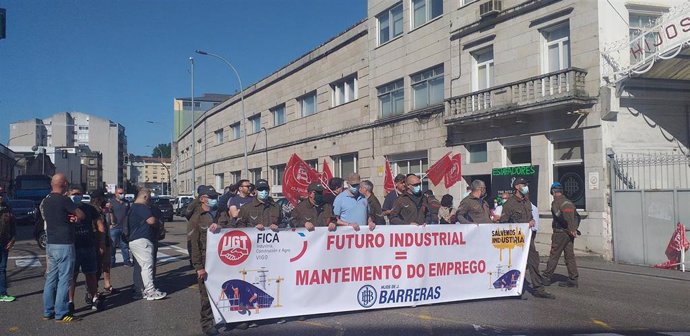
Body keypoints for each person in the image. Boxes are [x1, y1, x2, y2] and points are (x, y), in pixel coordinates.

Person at [499, 177, 555, 299]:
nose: (525, 186)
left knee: (534, 261)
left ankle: (538, 288)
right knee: (513, 264)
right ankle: (509, 288)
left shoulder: (527, 202)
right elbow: (504, 223)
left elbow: (529, 217)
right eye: (523, 184)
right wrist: (525, 225)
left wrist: (532, 221)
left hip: (528, 239)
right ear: (516, 187)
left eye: (526, 184)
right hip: (514, 241)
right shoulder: (510, 204)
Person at [41, 173, 86, 323]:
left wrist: (68, 218)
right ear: (64, 184)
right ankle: (61, 312)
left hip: (51, 243)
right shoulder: (64, 200)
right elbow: (80, 214)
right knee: (64, 279)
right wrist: (74, 215)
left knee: (51, 278)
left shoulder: (46, 201)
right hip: (64, 243)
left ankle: (48, 311)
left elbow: (57, 217)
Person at [189, 185, 227, 336]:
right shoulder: (196, 217)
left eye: (215, 197)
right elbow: (193, 245)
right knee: (206, 294)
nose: (214, 200)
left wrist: (220, 225)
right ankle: (207, 323)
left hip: (223, 259)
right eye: (211, 198)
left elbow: (231, 226)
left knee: (223, 290)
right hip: (206, 260)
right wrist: (198, 266)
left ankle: (225, 317)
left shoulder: (220, 213)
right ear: (203, 199)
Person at [67, 187, 106, 312]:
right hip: (72, 247)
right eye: (74, 194)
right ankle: (70, 301)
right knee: (72, 276)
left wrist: (101, 242)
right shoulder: (65, 208)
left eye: (79, 194)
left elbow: (100, 225)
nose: (76, 196)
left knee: (91, 274)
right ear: (68, 195)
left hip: (88, 245)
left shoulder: (89, 208)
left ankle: (94, 297)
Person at [127, 188, 166, 301]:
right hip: (142, 240)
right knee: (147, 266)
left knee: (143, 266)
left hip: (135, 240)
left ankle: (145, 290)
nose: (150, 200)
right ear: (145, 197)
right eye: (149, 197)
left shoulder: (132, 208)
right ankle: (150, 291)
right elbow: (151, 220)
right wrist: (158, 223)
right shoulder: (141, 207)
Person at [543, 182, 580, 288]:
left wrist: (567, 228)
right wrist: (574, 229)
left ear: (553, 192)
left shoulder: (556, 203)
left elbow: (560, 218)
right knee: (569, 256)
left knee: (554, 255)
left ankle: (546, 277)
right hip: (570, 234)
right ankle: (573, 279)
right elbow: (577, 217)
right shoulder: (569, 202)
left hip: (560, 233)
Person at [108, 187, 132, 267]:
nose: (122, 195)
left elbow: (129, 214)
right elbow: (108, 214)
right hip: (114, 227)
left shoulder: (127, 202)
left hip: (124, 227)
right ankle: (111, 262)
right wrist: (110, 224)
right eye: (120, 193)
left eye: (123, 193)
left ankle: (127, 261)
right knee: (112, 246)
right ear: (116, 194)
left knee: (124, 245)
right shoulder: (111, 202)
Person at [0, 194, 16, 302]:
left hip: (4, 242)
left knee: (2, 269)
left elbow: (13, 225)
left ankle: (2, 293)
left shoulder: (7, 208)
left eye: (1, 195)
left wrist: (12, 240)